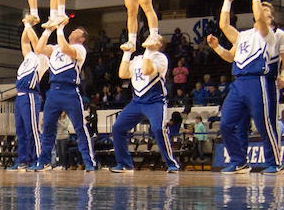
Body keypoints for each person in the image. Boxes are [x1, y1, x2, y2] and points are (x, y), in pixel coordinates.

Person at [206, 0, 282, 173]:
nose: (261, 14)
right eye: (260, 10)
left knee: (264, 124)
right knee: (225, 124)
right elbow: (225, 30)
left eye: (266, 12)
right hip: (238, 83)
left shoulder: (269, 34)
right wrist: (227, 0)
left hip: (257, 81)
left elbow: (260, 19)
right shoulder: (244, 36)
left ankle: (274, 163)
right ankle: (239, 161)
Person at [111, 33, 180, 172]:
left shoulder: (161, 58)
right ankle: (125, 164)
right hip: (137, 102)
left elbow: (147, 70)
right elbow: (123, 74)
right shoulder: (138, 58)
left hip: (155, 101)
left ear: (159, 44)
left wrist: (148, 50)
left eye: (154, 38)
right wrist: (126, 54)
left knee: (158, 129)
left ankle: (172, 164)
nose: (150, 38)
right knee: (118, 127)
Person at [32, 24, 96, 171]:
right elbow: (38, 49)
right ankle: (44, 161)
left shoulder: (80, 49)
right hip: (53, 91)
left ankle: (89, 162)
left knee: (80, 128)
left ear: (82, 38)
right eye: (73, 29)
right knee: (48, 127)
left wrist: (60, 28)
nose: (72, 31)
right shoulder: (55, 48)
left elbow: (67, 49)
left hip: (70, 91)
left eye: (76, 31)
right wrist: (48, 31)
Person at [10, 24, 49, 170]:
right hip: (20, 97)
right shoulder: (29, 57)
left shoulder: (42, 58)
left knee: (32, 129)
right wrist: (27, 26)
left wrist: (29, 25)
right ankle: (23, 160)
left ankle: (39, 159)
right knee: (20, 131)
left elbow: (34, 42)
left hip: (30, 96)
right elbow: (24, 42)